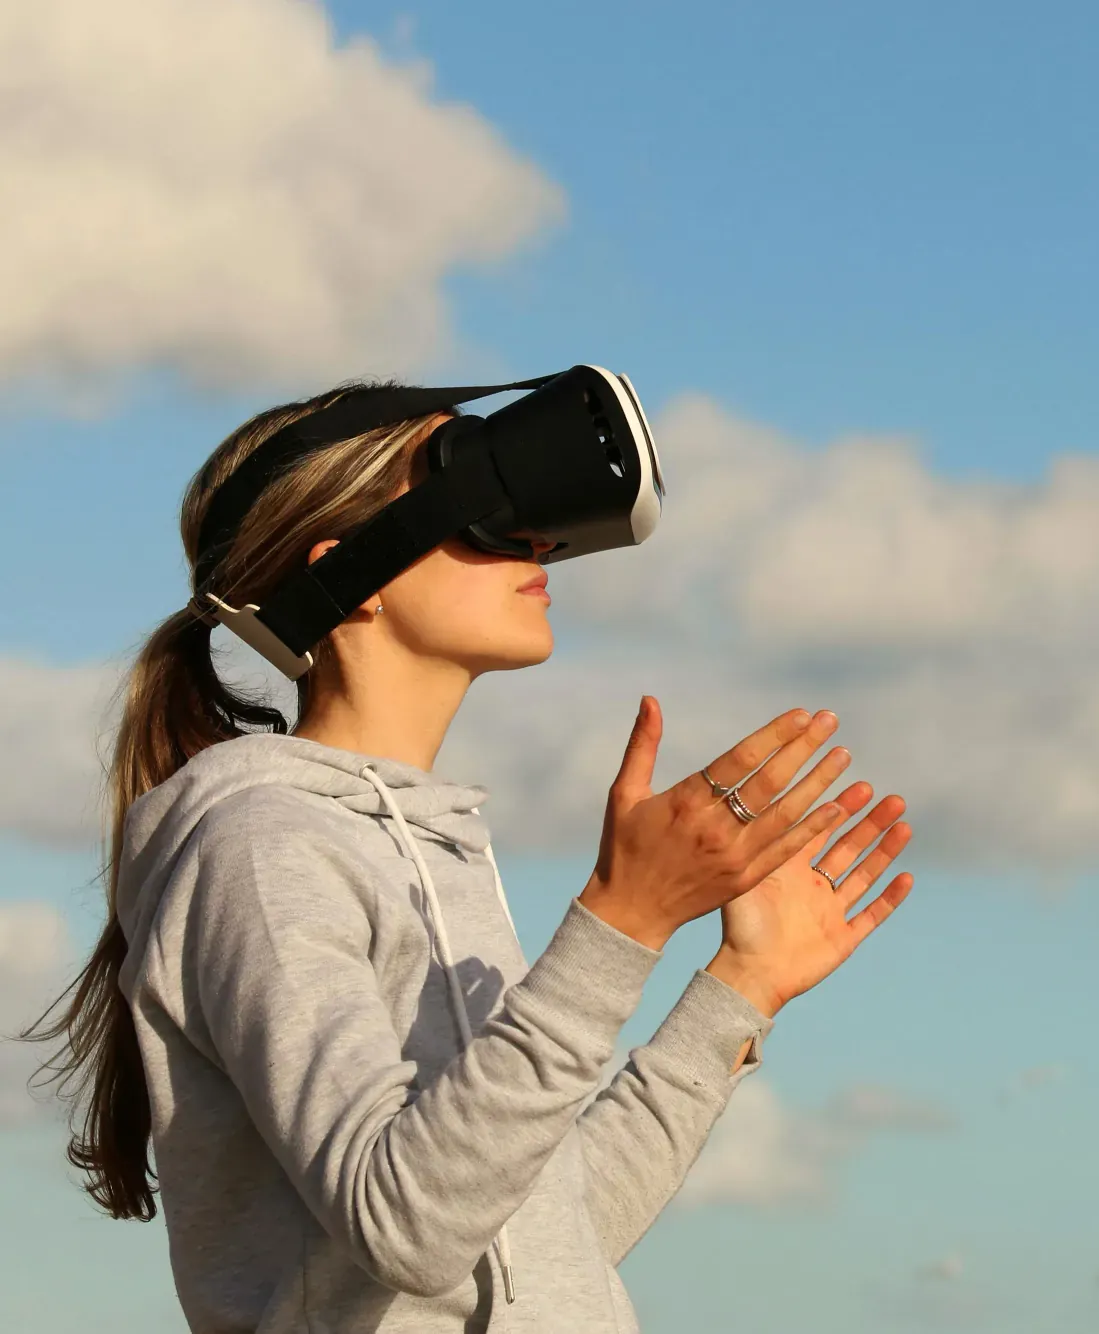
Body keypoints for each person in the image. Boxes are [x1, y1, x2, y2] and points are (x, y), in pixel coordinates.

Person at [27, 385, 916, 1332]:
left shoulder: (434, 848)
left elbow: (538, 1244)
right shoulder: (260, 844)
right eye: (482, 501)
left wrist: (740, 989)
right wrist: (625, 919)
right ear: (351, 573)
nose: (538, 539)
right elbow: (404, 1228)